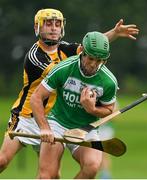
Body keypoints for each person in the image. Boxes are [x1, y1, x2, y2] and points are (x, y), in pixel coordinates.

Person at [0, 8, 139, 178]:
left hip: (52, 115)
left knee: (54, 175)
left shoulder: (65, 49)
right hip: (28, 115)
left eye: (57, 24)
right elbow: (64, 71)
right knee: (2, 160)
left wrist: (115, 33)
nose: (53, 28)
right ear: (37, 27)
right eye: (48, 24)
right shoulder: (35, 57)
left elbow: (90, 49)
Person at [30, 31, 119, 179]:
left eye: (99, 61)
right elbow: (36, 98)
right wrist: (44, 127)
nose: (93, 64)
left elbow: (109, 110)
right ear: (82, 52)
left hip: (86, 129)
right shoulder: (63, 68)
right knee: (47, 175)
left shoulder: (109, 81)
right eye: (90, 58)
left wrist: (92, 109)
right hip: (57, 124)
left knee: (92, 166)